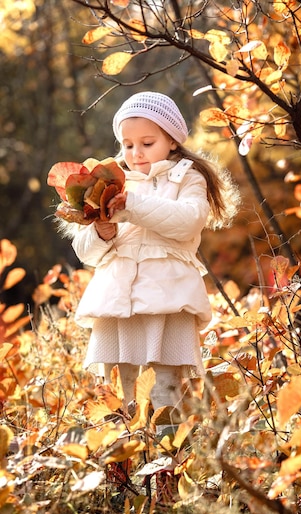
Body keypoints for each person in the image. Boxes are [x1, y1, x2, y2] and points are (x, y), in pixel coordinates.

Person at [68, 91, 239, 430]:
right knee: (122, 394)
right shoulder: (112, 181)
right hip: (119, 303)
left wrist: (131, 207)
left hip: (167, 301)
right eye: (128, 144)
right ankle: (128, 471)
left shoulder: (188, 178)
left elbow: (187, 220)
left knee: (164, 392)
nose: (136, 153)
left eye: (147, 142)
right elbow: (86, 253)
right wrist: (101, 232)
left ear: (172, 141)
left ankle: (166, 470)